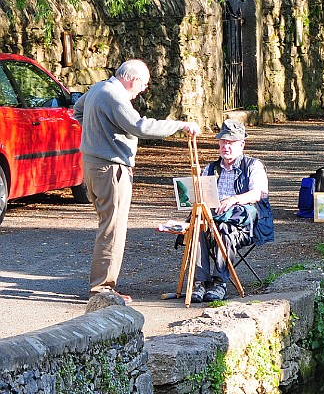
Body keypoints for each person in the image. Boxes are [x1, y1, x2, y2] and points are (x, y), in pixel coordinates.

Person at [74, 59, 201, 301]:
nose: (143, 89)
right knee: (113, 229)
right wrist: (180, 125)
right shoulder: (114, 96)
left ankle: (102, 286)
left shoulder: (98, 88)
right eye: (143, 84)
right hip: (111, 168)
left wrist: (98, 134)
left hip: (93, 165)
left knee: (107, 226)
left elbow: (78, 110)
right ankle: (102, 289)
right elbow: (139, 126)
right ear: (132, 79)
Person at [191, 119, 271, 302]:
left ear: (241, 145)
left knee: (225, 230)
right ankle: (200, 283)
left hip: (243, 226)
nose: (225, 147)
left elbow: (258, 194)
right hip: (212, 221)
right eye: (223, 142)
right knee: (197, 229)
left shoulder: (253, 166)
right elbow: (200, 197)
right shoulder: (210, 168)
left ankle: (220, 283)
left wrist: (234, 199)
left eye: (230, 142)